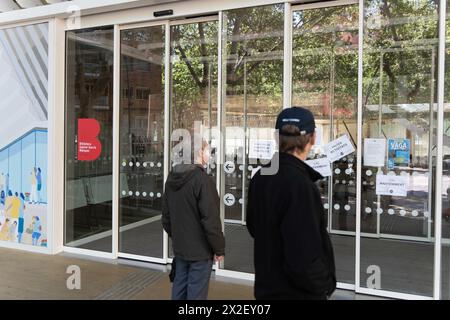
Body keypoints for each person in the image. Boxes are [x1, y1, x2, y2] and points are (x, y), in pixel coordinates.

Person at [246, 106, 336, 300]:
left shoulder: (260, 177)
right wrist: (324, 286)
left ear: (276, 138)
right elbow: (304, 256)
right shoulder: (302, 186)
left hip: (266, 288)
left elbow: (254, 227)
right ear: (313, 138)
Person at [162, 139, 225, 300]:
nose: (209, 156)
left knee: (179, 290)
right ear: (198, 153)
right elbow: (211, 221)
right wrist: (219, 249)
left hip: (180, 249)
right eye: (207, 151)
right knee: (196, 294)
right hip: (200, 252)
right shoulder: (203, 180)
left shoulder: (172, 178)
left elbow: (166, 218)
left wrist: (178, 236)